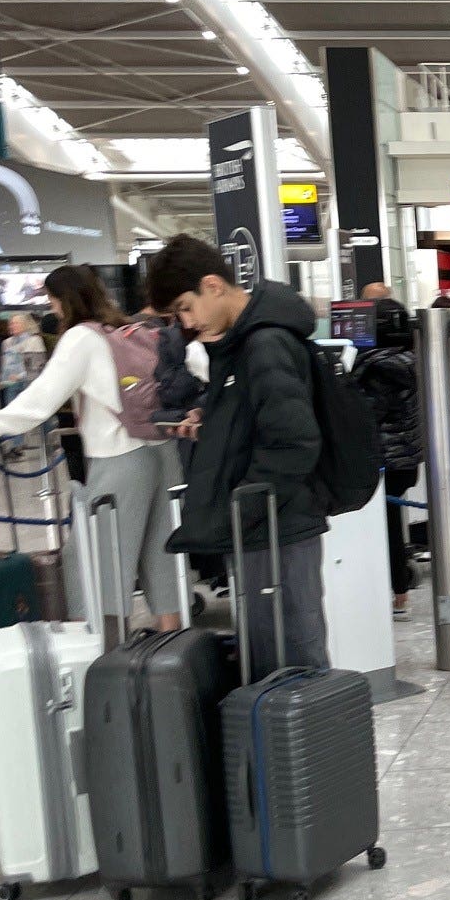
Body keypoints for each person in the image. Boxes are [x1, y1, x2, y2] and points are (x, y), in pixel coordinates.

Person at [0, 266, 186, 634]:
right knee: (162, 555)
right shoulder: (127, 330)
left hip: (119, 459)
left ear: (62, 299)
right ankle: (175, 648)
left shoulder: (82, 338)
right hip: (163, 451)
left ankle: (108, 657)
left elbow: (40, 399)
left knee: (102, 561)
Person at [144, 237, 331, 677]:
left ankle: (303, 746)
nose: (186, 323)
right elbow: (259, 418)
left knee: (292, 660)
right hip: (262, 522)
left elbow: (294, 440)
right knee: (269, 655)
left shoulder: (263, 344)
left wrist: (243, 507)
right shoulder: (243, 343)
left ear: (213, 285)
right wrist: (211, 420)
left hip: (276, 522)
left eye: (186, 308)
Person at [352, 299, 423, 621]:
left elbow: (365, 414)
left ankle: (397, 591)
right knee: (392, 524)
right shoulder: (410, 360)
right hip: (405, 457)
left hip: (383, 458)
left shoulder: (377, 367)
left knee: (386, 527)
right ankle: (398, 589)